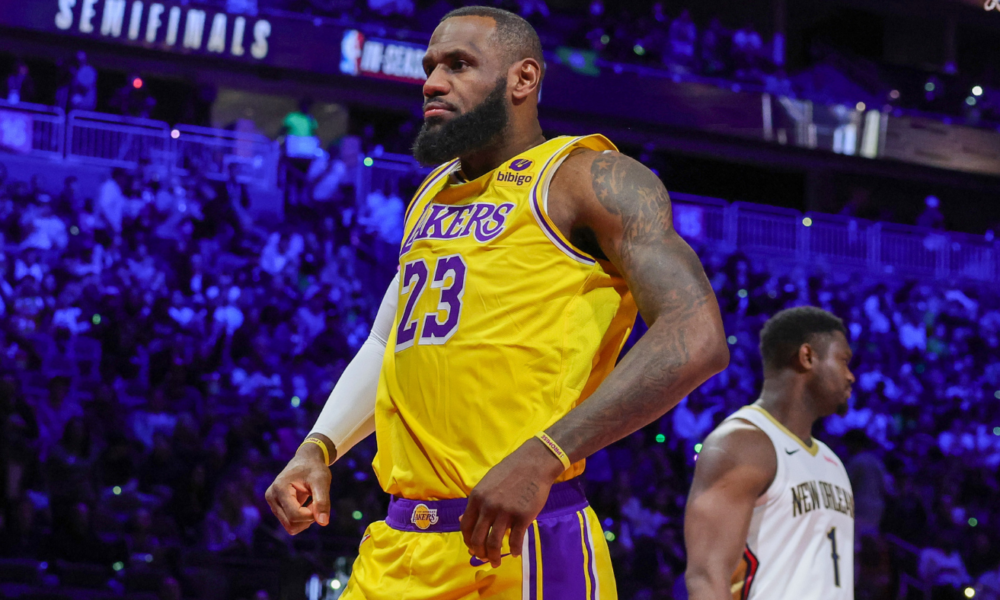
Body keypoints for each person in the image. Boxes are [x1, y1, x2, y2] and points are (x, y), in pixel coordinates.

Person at [266, 6, 729, 598]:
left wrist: (546, 454)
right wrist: (318, 447)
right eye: (430, 66)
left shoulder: (589, 179)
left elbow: (696, 336)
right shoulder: (431, 194)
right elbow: (389, 342)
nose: (433, 82)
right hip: (401, 544)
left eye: (459, 65)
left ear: (523, 79)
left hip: (524, 541)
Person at [684, 306, 856, 600]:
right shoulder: (741, 443)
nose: (851, 376)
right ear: (807, 356)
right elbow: (707, 577)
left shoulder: (832, 461)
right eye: (843, 361)